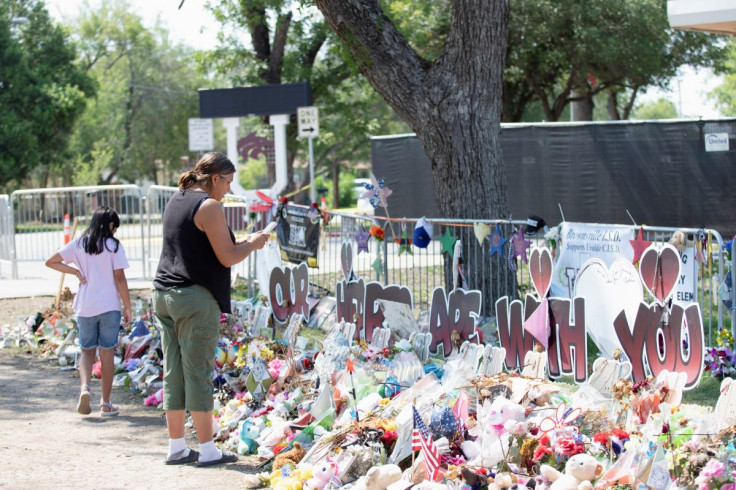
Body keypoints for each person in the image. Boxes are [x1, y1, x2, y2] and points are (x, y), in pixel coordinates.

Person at [153, 152, 270, 467]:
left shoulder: (178, 198)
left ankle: (176, 447)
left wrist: (246, 240)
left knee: (173, 373)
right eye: (228, 182)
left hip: (164, 294)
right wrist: (255, 242)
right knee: (198, 374)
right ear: (215, 177)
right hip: (194, 298)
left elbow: (204, 246)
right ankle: (207, 450)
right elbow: (228, 256)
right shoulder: (210, 206)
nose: (228, 190)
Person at [46, 206, 131, 416]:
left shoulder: (79, 243)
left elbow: (51, 261)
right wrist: (127, 306)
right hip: (109, 305)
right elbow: (119, 278)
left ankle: (84, 389)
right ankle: (106, 403)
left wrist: (74, 271)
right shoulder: (113, 246)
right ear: (111, 225)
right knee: (107, 352)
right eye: (115, 227)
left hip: (85, 306)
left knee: (86, 351)